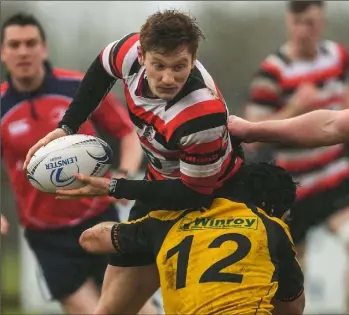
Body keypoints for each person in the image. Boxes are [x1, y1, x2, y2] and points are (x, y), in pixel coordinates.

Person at [23, 10, 245, 314]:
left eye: (179, 67)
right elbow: (102, 67)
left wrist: (113, 186)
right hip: (159, 189)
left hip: (214, 200)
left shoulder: (201, 114)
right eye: (159, 66)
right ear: (142, 55)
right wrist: (67, 127)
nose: (168, 78)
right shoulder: (129, 54)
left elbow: (193, 193)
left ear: (194, 59)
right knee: (111, 310)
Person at [0, 13, 151, 315]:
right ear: (3, 53)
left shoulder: (78, 88)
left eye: (31, 43)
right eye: (14, 45)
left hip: (100, 217)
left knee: (139, 311)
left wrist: (123, 174)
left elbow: (127, 132)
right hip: (47, 236)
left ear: (44, 48)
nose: (23, 52)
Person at [242, 1, 349, 313]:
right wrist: (295, 109)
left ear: (323, 22)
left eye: (312, 23)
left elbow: (346, 95)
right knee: (292, 282)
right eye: (298, 23)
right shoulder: (271, 72)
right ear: (287, 22)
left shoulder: (337, 56)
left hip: (334, 178)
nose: (305, 31)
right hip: (294, 189)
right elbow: (253, 131)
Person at [78, 162, 305, 315]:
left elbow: (90, 239)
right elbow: (293, 308)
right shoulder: (271, 227)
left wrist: (131, 230)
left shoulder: (168, 223)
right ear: (269, 207)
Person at [228, 106, 349, 146]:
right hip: (299, 181)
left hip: (338, 178)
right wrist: (252, 129)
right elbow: (332, 125)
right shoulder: (272, 71)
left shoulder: (336, 56)